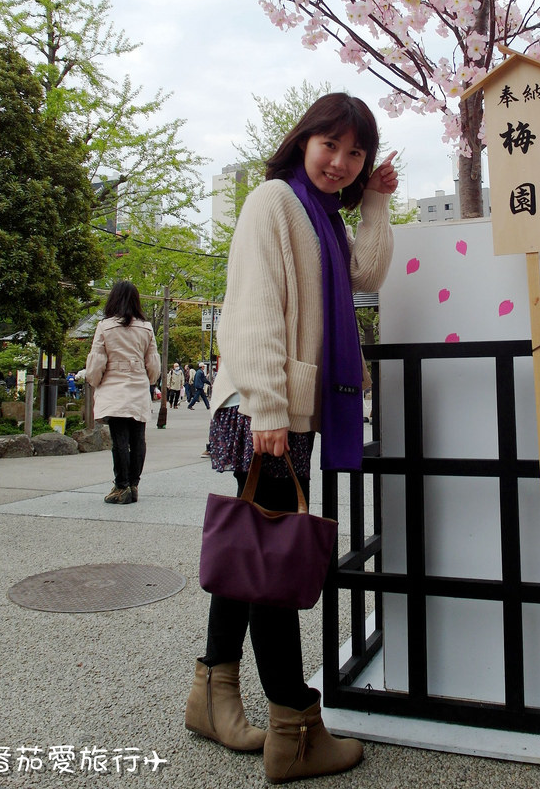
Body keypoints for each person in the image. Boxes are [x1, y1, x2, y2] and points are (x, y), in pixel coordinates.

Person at [183, 92, 397, 783]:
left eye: (354, 152)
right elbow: (252, 306)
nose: (339, 161)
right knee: (272, 558)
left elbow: (366, 273)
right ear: (304, 140)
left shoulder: (326, 216)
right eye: (329, 145)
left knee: (254, 544)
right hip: (264, 405)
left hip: (282, 405)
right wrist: (270, 409)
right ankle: (293, 727)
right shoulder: (275, 202)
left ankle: (211, 698)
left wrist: (376, 203)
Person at [85, 280, 161, 504]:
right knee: (138, 437)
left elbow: (97, 363)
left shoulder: (105, 327)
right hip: (137, 385)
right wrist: (149, 380)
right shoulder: (146, 328)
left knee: (119, 438)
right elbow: (153, 365)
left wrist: (94, 381)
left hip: (113, 386)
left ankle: (121, 485)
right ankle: (134, 484)